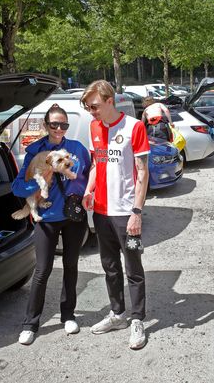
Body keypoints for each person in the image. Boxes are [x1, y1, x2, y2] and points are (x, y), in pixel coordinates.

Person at [11, 103, 91, 346]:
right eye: (54, 124)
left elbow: (88, 177)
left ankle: (68, 315)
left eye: (63, 124)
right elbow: (17, 186)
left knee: (71, 265)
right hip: (46, 219)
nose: (58, 129)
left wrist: (86, 194)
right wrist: (40, 182)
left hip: (72, 217)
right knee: (42, 270)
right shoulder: (35, 150)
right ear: (46, 125)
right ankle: (30, 323)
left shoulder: (76, 148)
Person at [80, 80, 150, 350]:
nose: (91, 112)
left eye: (95, 106)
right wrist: (88, 190)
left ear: (110, 101)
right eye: (88, 107)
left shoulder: (135, 127)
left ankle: (137, 318)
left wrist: (137, 212)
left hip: (127, 214)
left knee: (134, 267)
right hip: (101, 213)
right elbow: (98, 164)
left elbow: (143, 173)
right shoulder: (93, 127)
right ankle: (118, 314)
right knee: (110, 267)